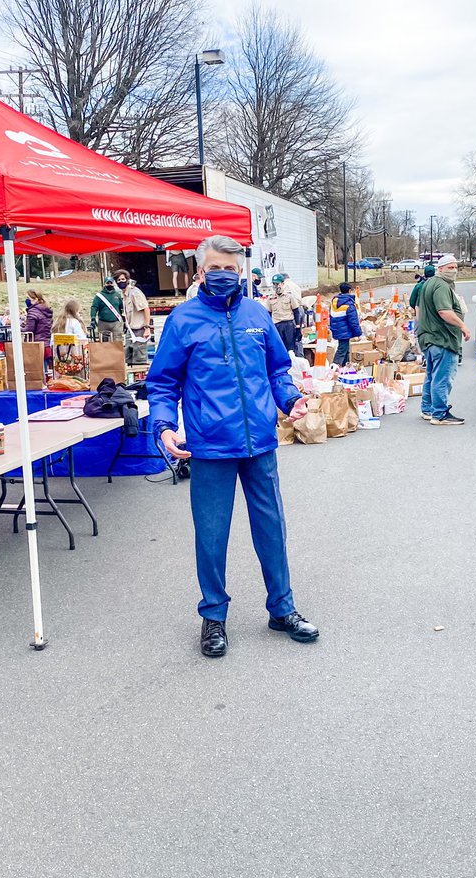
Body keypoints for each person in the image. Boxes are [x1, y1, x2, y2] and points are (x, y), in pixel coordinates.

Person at [147, 234, 318, 658]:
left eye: (231, 268)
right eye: (215, 268)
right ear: (201, 272)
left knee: (271, 528)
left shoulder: (256, 314)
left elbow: (278, 370)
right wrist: (165, 425)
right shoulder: (183, 320)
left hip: (259, 443)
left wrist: (291, 399)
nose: (223, 275)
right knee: (211, 534)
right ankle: (214, 617)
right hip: (209, 446)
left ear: (240, 271)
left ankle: (282, 608)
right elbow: (163, 382)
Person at [416, 254, 469, 424]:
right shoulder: (441, 286)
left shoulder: (428, 283)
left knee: (431, 375)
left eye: (455, 267)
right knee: (442, 377)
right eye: (450, 267)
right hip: (441, 339)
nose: (453, 271)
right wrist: (462, 326)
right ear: (440, 269)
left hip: (429, 338)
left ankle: (428, 409)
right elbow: (444, 311)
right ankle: (439, 413)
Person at [113, 269, 151, 366]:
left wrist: (147, 328)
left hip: (139, 330)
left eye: (123, 279)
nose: (121, 282)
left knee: (139, 360)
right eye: (119, 280)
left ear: (127, 279)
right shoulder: (124, 294)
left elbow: (145, 309)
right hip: (130, 331)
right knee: (128, 358)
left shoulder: (135, 293)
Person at [266, 273, 302, 355]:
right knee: (278, 349)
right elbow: (268, 313)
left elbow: (296, 312)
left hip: (288, 325)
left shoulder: (289, 296)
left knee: (290, 350)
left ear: (282, 283)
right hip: (276, 325)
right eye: (274, 284)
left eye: (277, 284)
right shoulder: (270, 298)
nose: (276, 286)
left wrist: (298, 328)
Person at [328, 282, 361, 367]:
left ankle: (345, 367)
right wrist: (358, 333)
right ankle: (334, 368)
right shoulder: (348, 304)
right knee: (342, 350)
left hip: (336, 328)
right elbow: (353, 321)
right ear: (349, 291)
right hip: (345, 330)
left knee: (345, 350)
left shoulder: (334, 301)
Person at [90, 277, 126, 343]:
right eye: (107, 283)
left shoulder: (118, 295)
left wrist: (125, 321)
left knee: (117, 342)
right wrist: (93, 318)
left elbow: (122, 308)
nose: (109, 284)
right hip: (103, 323)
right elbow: (94, 307)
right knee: (104, 343)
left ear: (113, 284)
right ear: (104, 284)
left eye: (111, 283)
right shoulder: (99, 296)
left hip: (116, 323)